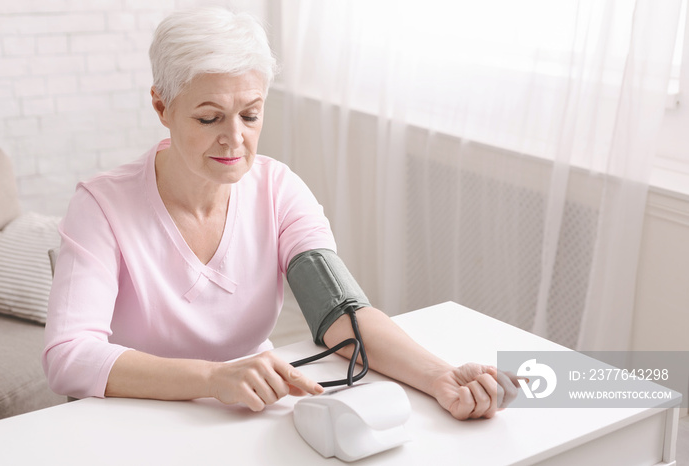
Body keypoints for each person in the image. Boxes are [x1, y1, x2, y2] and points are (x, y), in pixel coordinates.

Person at [42, 6, 518, 421]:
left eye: (250, 114)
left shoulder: (278, 189)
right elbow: (68, 356)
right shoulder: (102, 206)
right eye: (209, 118)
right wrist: (212, 378)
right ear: (162, 106)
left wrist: (440, 377)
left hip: (247, 412)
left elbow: (340, 313)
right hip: (132, 421)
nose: (234, 137)